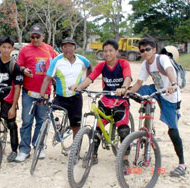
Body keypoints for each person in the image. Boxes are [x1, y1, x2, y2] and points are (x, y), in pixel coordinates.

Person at [126, 37, 186, 177]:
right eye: (142, 50)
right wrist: (127, 91)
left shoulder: (162, 59)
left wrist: (173, 84)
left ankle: (182, 164)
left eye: (147, 49)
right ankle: (146, 131)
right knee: (133, 92)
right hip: (157, 91)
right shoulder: (145, 64)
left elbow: (170, 70)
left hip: (170, 96)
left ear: (154, 49)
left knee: (173, 130)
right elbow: (139, 83)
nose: (145, 52)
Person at [70, 39, 132, 166]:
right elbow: (90, 77)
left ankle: (125, 159)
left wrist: (124, 88)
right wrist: (80, 87)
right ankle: (93, 155)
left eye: (110, 51)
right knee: (96, 129)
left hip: (120, 101)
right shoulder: (102, 65)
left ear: (116, 51)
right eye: (105, 51)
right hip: (106, 100)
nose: (107, 54)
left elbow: (127, 77)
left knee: (123, 130)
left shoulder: (123, 63)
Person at [15, 24, 57, 162]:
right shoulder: (24, 49)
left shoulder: (49, 50)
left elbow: (57, 67)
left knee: (41, 121)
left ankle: (38, 147)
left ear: (43, 36)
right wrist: (23, 70)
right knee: (26, 121)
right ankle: (24, 150)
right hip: (28, 93)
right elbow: (19, 66)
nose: (34, 39)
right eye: (32, 36)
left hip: (45, 93)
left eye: (37, 36)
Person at [40, 38, 92, 139]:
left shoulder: (81, 59)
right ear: (61, 48)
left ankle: (74, 151)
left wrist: (86, 83)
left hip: (75, 97)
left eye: (70, 47)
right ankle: (58, 125)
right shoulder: (57, 61)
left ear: (75, 48)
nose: (67, 49)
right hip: (60, 97)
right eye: (64, 47)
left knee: (76, 126)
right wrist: (41, 96)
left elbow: (89, 67)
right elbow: (47, 79)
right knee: (49, 114)